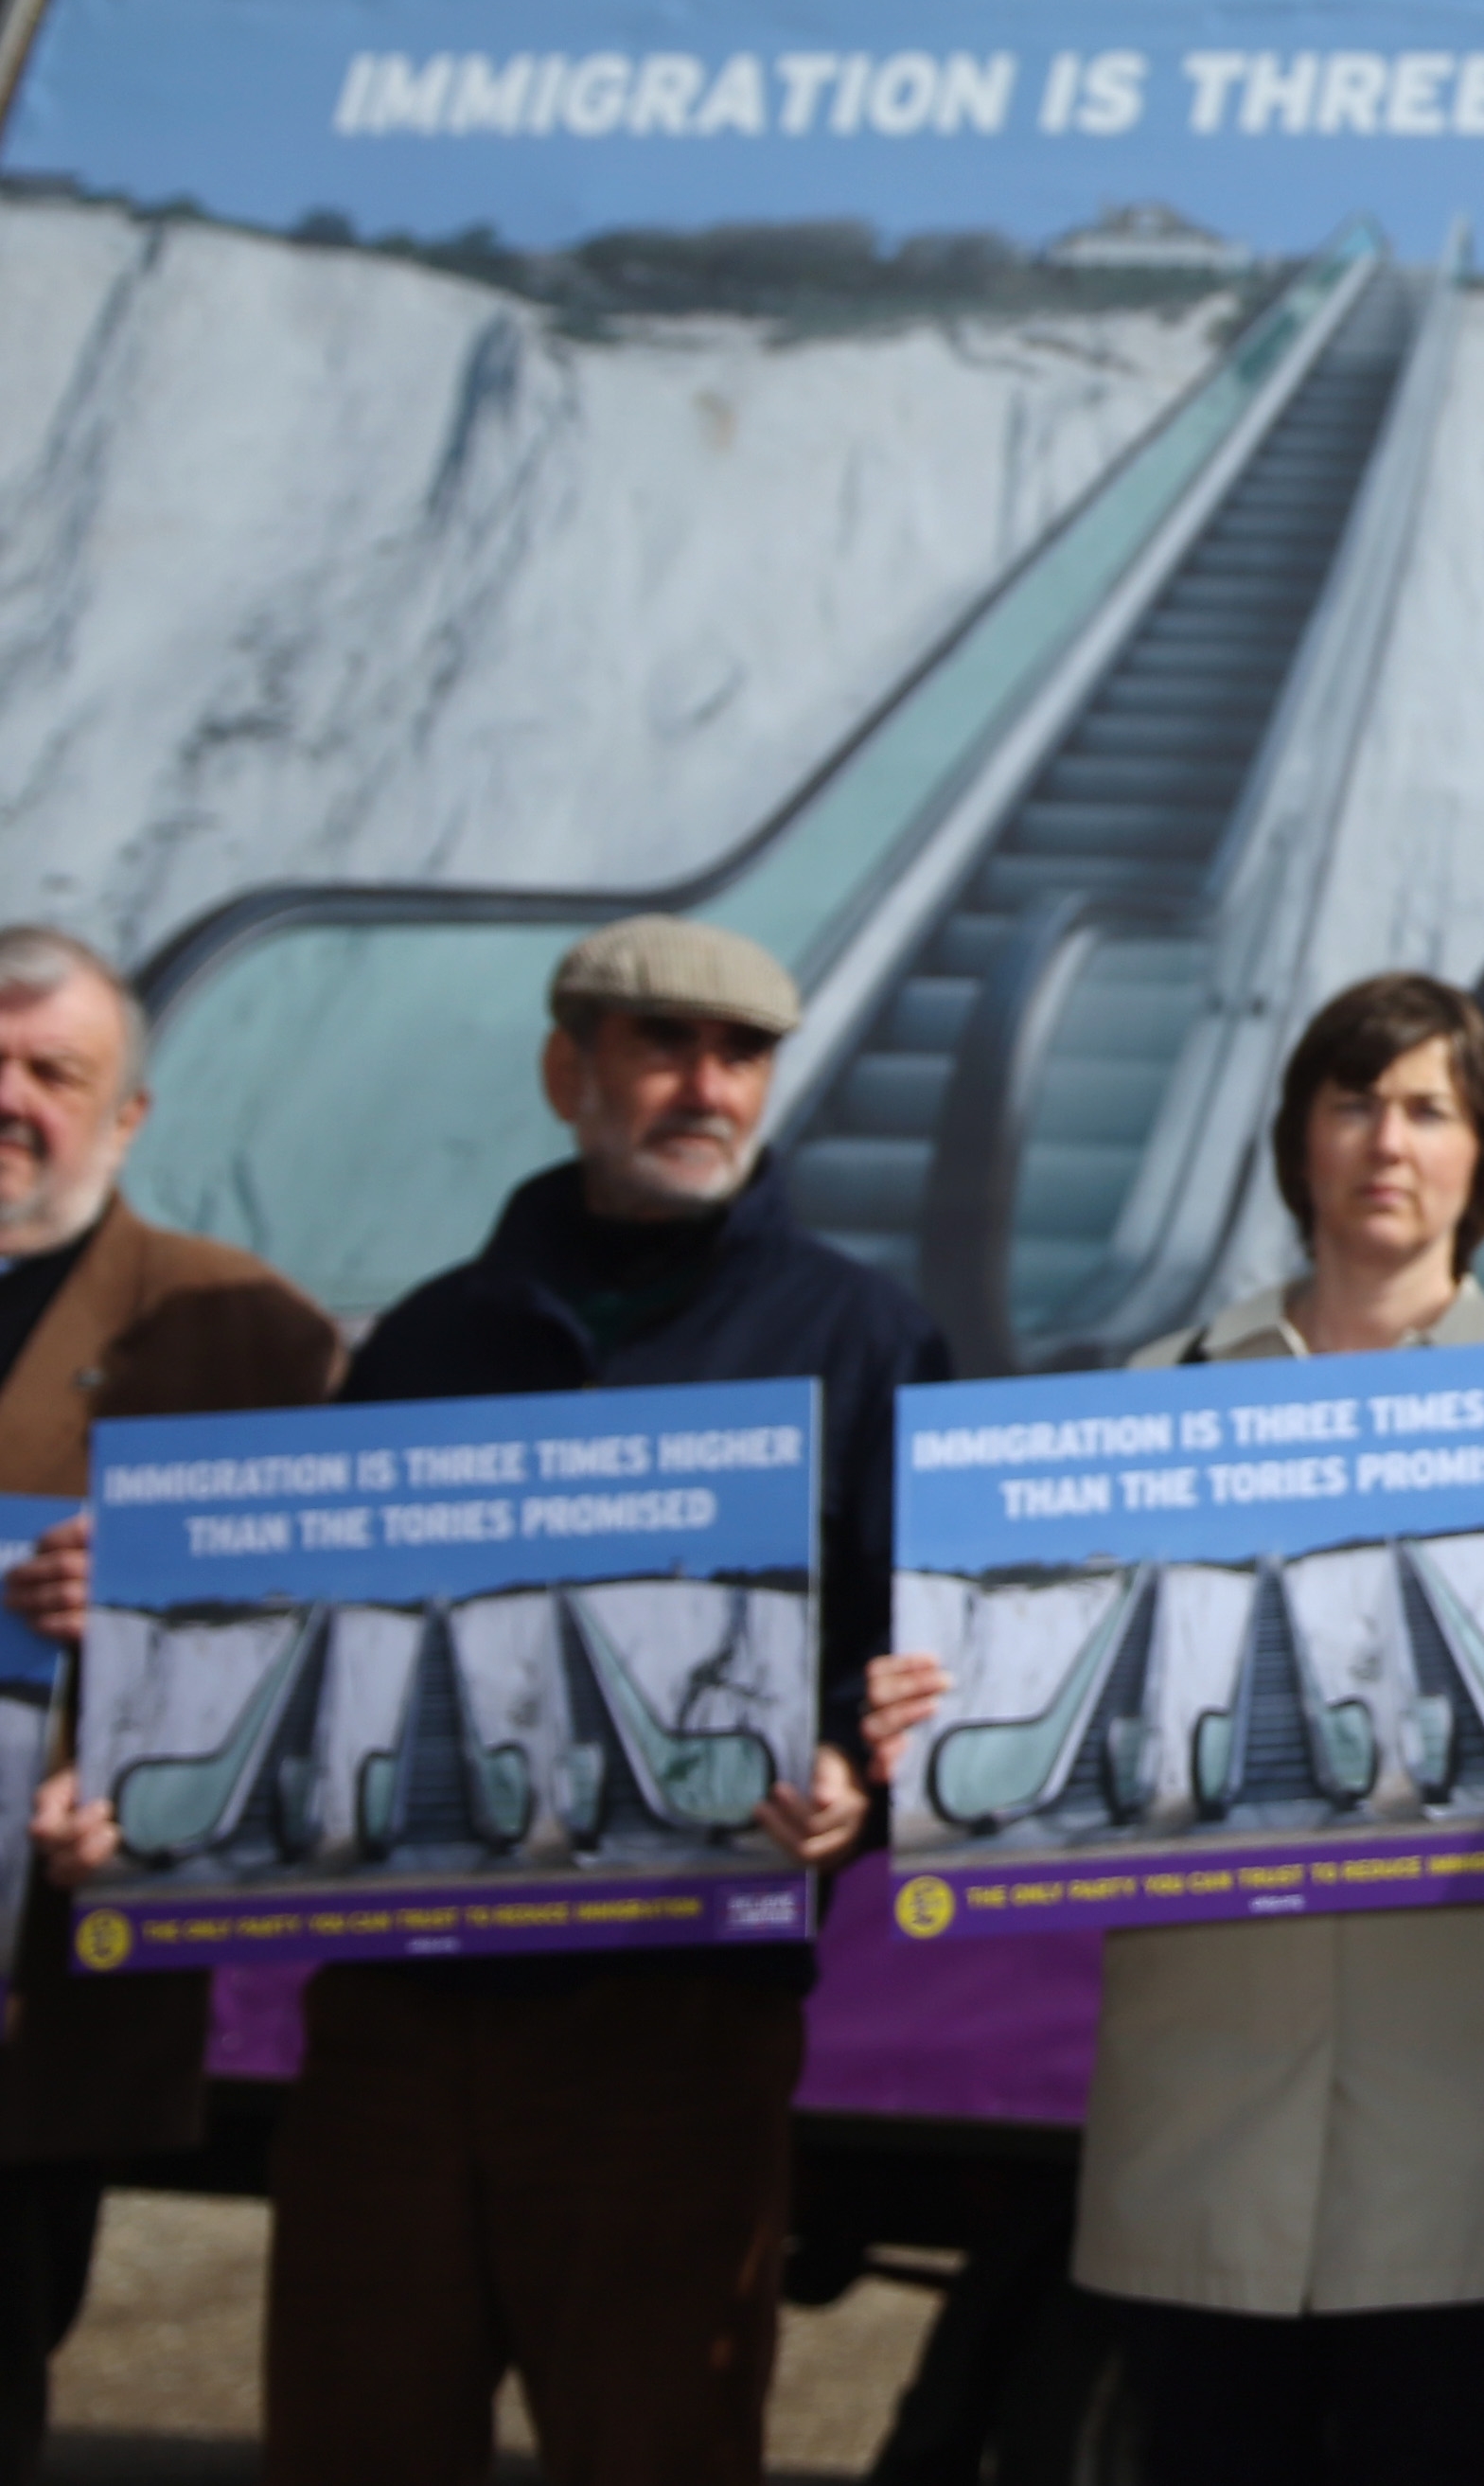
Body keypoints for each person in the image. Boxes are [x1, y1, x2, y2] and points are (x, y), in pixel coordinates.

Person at [35, 914, 947, 2486]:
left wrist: (853, 1789)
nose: (706, 1087)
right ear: (564, 1073)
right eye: (662, 1047)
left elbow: (911, 1657)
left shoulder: (863, 1337)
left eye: (741, 1056)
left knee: (657, 2448)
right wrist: (133, 1780)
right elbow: (295, 1661)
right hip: (397, 2018)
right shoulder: (433, 1338)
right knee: (355, 2438)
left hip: (674, 2021)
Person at [871, 971, 1484, 2484]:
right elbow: (1047, 1703)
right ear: (1298, 1140)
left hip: (1474, 2114)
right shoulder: (1147, 1403)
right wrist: (940, 1693)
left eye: (1428, 1109)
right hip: (1202, 2112)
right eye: (1353, 1103)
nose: (1388, 1141)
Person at [0, 931, 344, 2486]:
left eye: (53, 1073)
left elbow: (326, 1638)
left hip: (34, 1986)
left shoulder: (244, 1332)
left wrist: (156, 1610)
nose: (12, 1100)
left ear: (127, 1115)